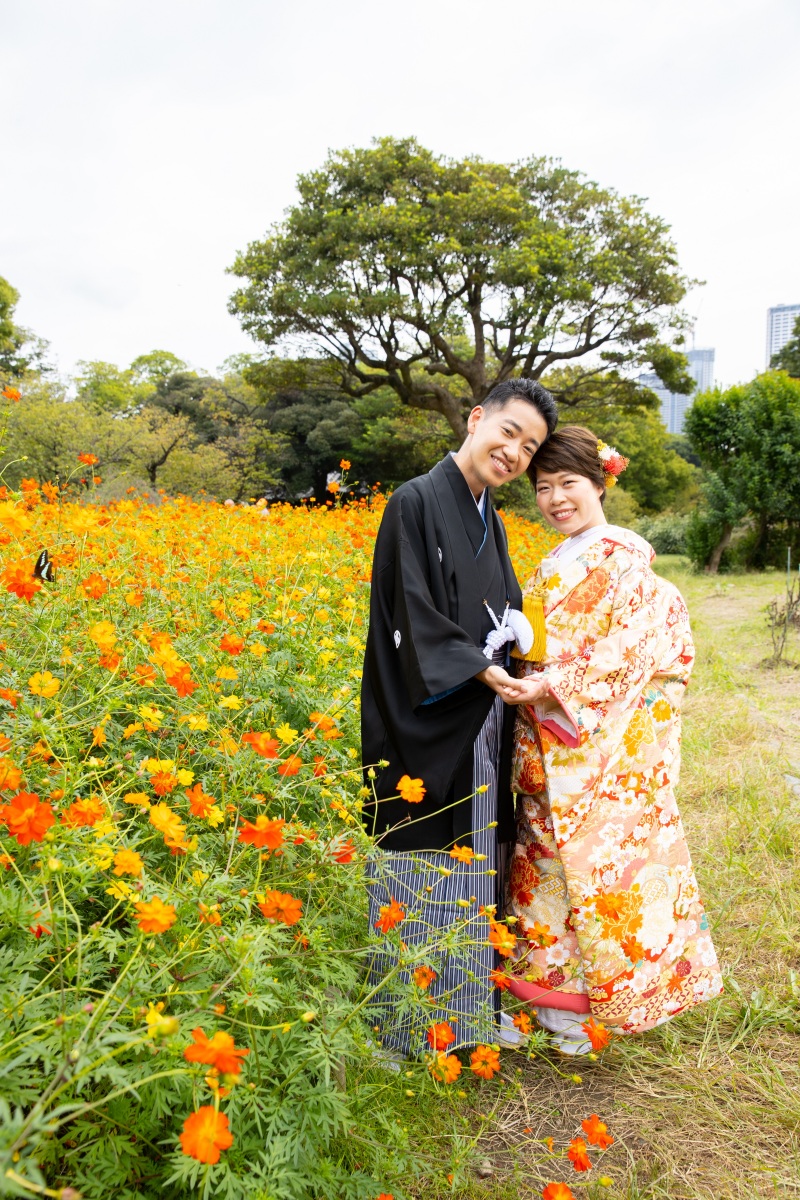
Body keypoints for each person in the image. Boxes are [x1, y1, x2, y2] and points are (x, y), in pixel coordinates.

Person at [505, 426, 723, 1054]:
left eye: (569, 483)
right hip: (551, 738)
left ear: (601, 482)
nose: (555, 499)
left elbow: (630, 653)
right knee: (542, 870)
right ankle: (546, 1003)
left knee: (599, 874)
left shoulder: (623, 559)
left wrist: (553, 684)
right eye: (543, 487)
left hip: (592, 745)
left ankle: (585, 1011)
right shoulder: (560, 558)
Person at [361, 378, 558, 1059]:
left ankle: (462, 1017)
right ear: (477, 420)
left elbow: (505, 610)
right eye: (509, 432)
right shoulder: (414, 501)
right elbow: (410, 614)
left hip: (482, 718)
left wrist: (519, 647)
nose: (515, 452)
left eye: (529, 448)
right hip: (424, 716)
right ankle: (401, 1025)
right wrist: (477, 666)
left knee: (475, 862)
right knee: (417, 857)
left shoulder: (492, 521)